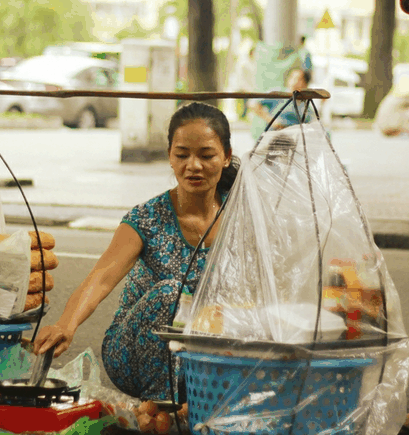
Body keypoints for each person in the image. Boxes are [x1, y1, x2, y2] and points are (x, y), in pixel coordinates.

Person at [33, 102, 239, 400]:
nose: (193, 166)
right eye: (182, 155)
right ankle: (162, 406)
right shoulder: (147, 218)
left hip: (203, 354)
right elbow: (100, 278)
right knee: (172, 293)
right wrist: (66, 324)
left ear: (226, 157)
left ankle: (199, 396)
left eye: (206, 155)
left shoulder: (241, 213)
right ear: (170, 156)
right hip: (133, 354)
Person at [249, 67, 315, 141]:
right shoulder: (279, 94)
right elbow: (253, 104)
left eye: (298, 79)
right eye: (292, 77)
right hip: (273, 138)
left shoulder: (305, 105)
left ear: (305, 84)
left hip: (292, 142)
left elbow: (310, 123)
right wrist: (272, 121)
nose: (294, 81)